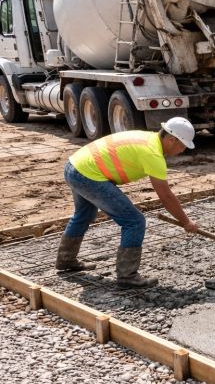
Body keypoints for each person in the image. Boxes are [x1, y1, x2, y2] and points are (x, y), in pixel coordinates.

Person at [56, 117, 199, 287]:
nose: (183, 150)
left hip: (75, 166)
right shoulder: (152, 153)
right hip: (88, 174)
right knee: (134, 221)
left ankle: (66, 260)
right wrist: (186, 222)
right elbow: (165, 196)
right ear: (171, 139)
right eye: (182, 145)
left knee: (84, 214)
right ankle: (127, 276)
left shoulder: (149, 139)